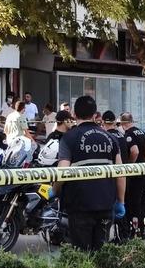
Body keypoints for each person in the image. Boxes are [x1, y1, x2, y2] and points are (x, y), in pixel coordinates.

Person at [54, 96, 125, 250]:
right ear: (95, 114)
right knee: (101, 255)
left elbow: (63, 171)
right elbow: (120, 173)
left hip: (79, 207)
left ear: (73, 114)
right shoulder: (111, 138)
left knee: (81, 257)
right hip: (106, 205)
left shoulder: (69, 138)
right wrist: (121, 201)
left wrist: (54, 190)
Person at [120, 112, 145, 236]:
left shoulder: (129, 134)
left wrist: (131, 165)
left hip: (135, 174)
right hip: (144, 171)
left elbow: (134, 151)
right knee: (142, 200)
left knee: (135, 202)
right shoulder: (141, 132)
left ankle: (139, 230)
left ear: (123, 123)